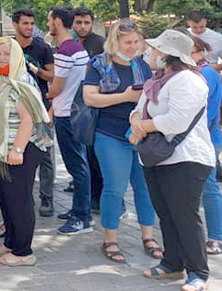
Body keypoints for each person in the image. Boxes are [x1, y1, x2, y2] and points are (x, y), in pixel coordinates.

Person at [129, 29, 215, 291]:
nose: (150, 54)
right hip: (158, 158)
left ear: (167, 56)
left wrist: (143, 125)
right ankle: (172, 263)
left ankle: (198, 272)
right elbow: (139, 108)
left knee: (185, 216)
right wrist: (137, 120)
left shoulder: (188, 81)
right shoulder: (158, 80)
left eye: (155, 50)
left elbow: (177, 120)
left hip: (186, 159)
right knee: (166, 214)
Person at [82, 21, 159, 264]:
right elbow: (90, 98)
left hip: (140, 135)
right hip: (110, 135)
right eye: (127, 42)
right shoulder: (99, 64)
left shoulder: (143, 65)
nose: (132, 46)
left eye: (136, 42)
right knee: (114, 189)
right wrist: (124, 97)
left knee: (145, 188)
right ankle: (110, 239)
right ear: (115, 41)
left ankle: (148, 236)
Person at [0, 37, 50, 267]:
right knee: (6, 199)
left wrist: (18, 149)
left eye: (7, 53)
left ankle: (23, 251)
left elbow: (29, 119)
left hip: (20, 151)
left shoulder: (21, 81)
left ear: (17, 56)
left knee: (19, 200)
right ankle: (11, 241)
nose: (1, 57)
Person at [46, 5, 92, 235]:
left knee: (77, 167)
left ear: (56, 21)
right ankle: (79, 209)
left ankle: (82, 216)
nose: (47, 24)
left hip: (67, 115)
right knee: (79, 164)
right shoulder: (75, 48)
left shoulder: (66, 51)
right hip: (72, 112)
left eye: (49, 20)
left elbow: (57, 87)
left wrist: (46, 96)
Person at [12, 9, 56, 218]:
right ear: (15, 25)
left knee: (45, 155)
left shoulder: (42, 48)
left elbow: (52, 76)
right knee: (19, 154)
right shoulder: (8, 47)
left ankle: (47, 198)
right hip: (15, 110)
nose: (29, 27)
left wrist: (36, 70)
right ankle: (22, 196)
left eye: (31, 23)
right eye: (25, 23)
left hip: (40, 110)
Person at [185, 33, 222, 257]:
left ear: (199, 53)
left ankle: (216, 236)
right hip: (205, 136)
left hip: (205, 138)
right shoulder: (199, 72)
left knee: (208, 187)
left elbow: (204, 113)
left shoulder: (205, 72)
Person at [73, 7, 106, 211]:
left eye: (86, 22)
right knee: (83, 153)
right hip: (76, 106)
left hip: (96, 106)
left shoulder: (100, 43)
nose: (82, 26)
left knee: (97, 155)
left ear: (92, 23)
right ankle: (90, 198)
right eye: (78, 22)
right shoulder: (70, 44)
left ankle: (103, 199)